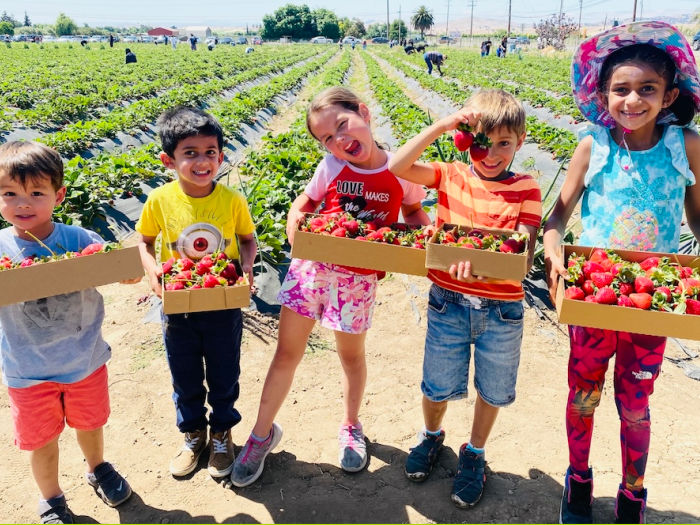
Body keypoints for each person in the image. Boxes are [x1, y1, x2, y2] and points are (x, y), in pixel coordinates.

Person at [230, 86, 431, 487]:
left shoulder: (401, 171)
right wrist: (294, 224)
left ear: (364, 112)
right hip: (312, 269)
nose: (338, 140)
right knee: (287, 353)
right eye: (327, 138)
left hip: (358, 279)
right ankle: (260, 434)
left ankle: (351, 425)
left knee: (351, 357)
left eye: (342, 125)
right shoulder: (331, 167)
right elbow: (305, 203)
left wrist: (423, 237)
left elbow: (412, 210)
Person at [543, 21, 700, 524]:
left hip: (653, 304)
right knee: (584, 394)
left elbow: (696, 217)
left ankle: (633, 492)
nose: (632, 101)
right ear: (603, 93)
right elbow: (558, 217)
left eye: (647, 89)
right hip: (592, 297)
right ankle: (578, 480)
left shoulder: (686, 146)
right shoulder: (594, 145)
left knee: (636, 402)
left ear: (669, 94)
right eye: (621, 89)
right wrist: (553, 254)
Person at [387, 89, 542, 509]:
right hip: (448, 301)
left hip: (503, 310)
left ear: (521, 141)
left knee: (492, 390)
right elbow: (396, 166)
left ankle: (474, 453)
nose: (490, 154)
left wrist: (485, 262)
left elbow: (522, 250)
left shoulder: (527, 186)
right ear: (465, 138)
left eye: (503, 143)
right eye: (481, 142)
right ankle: (432, 435)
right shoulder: (450, 174)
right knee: (436, 384)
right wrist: (442, 125)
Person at [0, 141, 134, 524]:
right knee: (41, 441)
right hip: (27, 371)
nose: (23, 204)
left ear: (58, 195)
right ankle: (52, 499)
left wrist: (124, 269)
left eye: (36, 193)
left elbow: (122, 271)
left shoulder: (77, 241)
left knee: (90, 424)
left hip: (84, 361)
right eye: (10, 194)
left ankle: (98, 467)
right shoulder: (0, 249)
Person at [136, 107, 257, 480]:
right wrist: (153, 271)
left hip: (222, 302)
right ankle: (192, 435)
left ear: (221, 156)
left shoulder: (232, 200)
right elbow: (144, 240)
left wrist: (248, 268)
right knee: (184, 374)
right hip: (178, 304)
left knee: (224, 372)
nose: (202, 161)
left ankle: (222, 433)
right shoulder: (159, 200)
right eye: (190, 153)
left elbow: (248, 240)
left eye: (210, 152)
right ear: (168, 160)